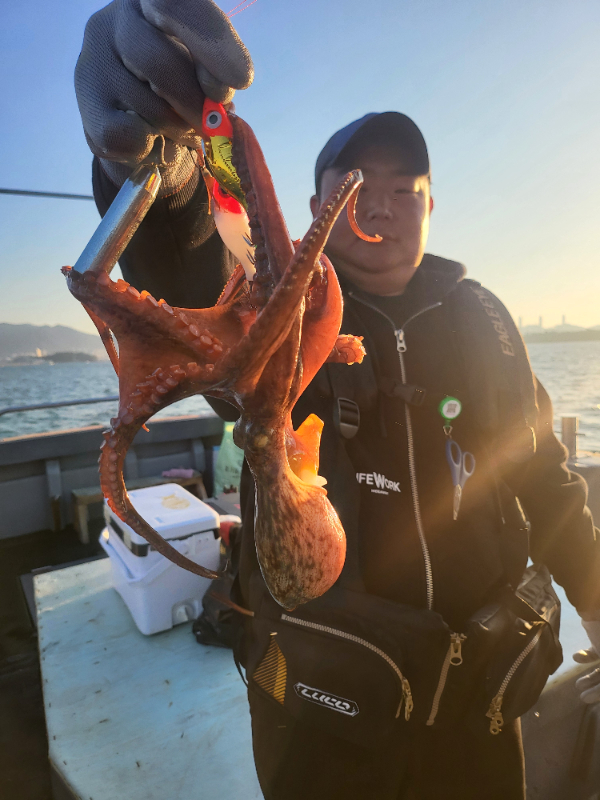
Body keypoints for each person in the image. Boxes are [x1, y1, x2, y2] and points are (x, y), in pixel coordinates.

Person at [75, 2, 600, 797]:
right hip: (324, 716)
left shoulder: (484, 320)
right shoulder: (278, 317)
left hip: (480, 708)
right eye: (357, 185)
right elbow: (196, 280)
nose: (379, 203)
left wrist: (593, 598)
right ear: (319, 197)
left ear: (432, 205)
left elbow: (544, 476)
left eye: (404, 187)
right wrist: (170, 180)